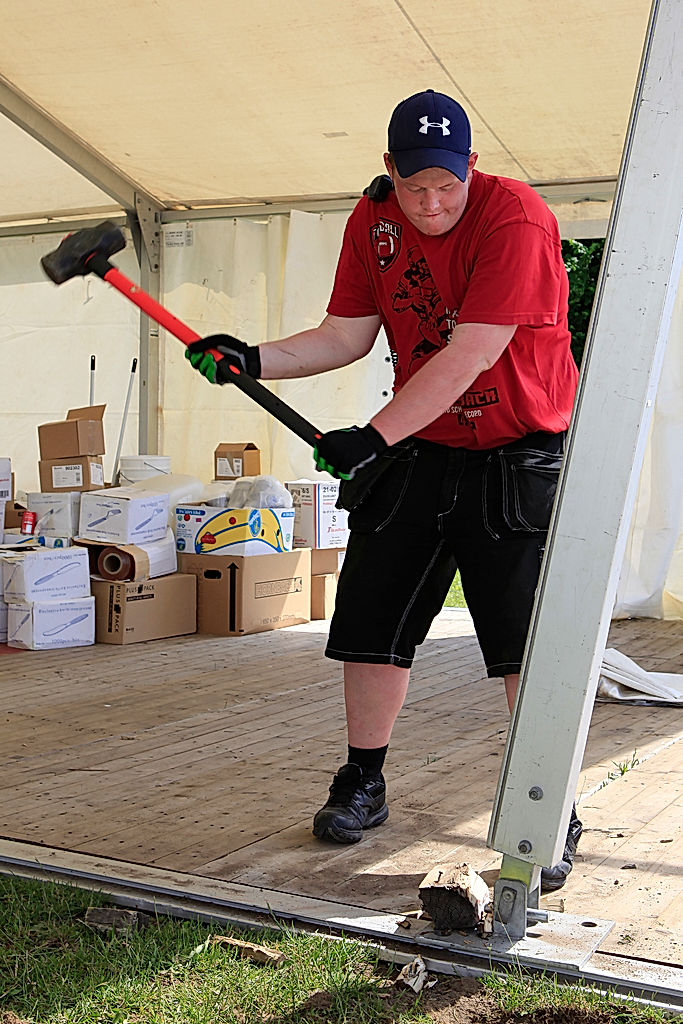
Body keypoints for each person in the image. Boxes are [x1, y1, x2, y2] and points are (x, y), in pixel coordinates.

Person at [186, 89, 583, 892]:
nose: (432, 203)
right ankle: (362, 780)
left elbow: (471, 352)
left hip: (519, 447)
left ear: (471, 166)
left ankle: (552, 803)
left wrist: (372, 435)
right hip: (424, 443)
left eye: (446, 185)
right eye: (415, 187)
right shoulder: (373, 223)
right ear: (389, 173)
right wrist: (252, 358)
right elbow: (344, 335)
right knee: (372, 614)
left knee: (520, 639)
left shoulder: (516, 218)